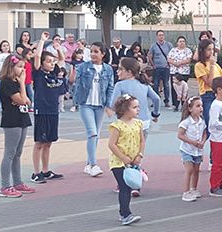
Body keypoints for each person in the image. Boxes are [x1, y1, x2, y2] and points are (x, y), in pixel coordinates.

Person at [71, 42, 115, 178]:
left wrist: (108, 105)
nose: (93, 54)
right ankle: (93, 165)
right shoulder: (84, 67)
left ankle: (88, 163)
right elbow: (76, 83)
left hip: (100, 105)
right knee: (92, 134)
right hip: (86, 104)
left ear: (103, 54)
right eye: (92, 51)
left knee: (97, 134)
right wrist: (76, 100)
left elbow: (110, 88)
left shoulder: (108, 69)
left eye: (96, 52)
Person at [30, 32, 68, 184]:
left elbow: (62, 60)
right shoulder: (39, 74)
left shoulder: (54, 74)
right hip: (42, 110)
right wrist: (43, 41)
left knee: (49, 142)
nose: (52, 64)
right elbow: (37, 58)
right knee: (40, 142)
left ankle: (46, 171)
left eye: (53, 62)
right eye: (49, 61)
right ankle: (36, 172)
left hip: (53, 110)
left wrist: (58, 48)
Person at [0, 55, 35, 198]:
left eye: (23, 67)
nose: (22, 70)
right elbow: (22, 101)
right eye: (20, 67)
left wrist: (22, 84)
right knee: (10, 152)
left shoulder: (16, 82)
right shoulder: (7, 83)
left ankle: (18, 182)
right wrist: (21, 84)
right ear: (11, 67)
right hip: (11, 120)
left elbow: (28, 102)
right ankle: (5, 185)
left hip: (22, 118)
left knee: (18, 152)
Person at [107, 95, 145, 225]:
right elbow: (112, 144)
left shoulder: (138, 123)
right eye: (134, 107)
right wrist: (123, 157)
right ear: (124, 110)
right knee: (124, 187)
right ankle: (125, 214)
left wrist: (139, 155)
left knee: (128, 186)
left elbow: (141, 140)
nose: (138, 109)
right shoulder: (117, 126)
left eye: (138, 107)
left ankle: (124, 212)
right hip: (118, 162)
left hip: (133, 161)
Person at [112, 58, 161, 139]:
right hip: (144, 122)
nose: (117, 72)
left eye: (120, 69)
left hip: (127, 122)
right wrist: (155, 114)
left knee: (126, 149)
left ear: (129, 72)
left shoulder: (119, 85)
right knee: (140, 148)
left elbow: (113, 105)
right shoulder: (144, 84)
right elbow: (156, 99)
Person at [178, 97, 206, 202]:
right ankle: (186, 192)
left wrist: (203, 142)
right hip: (187, 150)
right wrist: (193, 142)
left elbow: (204, 133)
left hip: (198, 151)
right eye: (198, 106)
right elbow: (180, 135)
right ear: (190, 109)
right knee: (189, 169)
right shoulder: (186, 122)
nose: (201, 108)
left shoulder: (202, 121)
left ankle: (193, 188)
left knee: (196, 170)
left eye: (201, 106)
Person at [194, 39, 222, 131]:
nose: (211, 52)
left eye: (212, 49)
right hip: (207, 95)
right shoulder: (199, 65)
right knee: (209, 123)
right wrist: (211, 66)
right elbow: (210, 83)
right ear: (202, 50)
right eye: (208, 49)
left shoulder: (216, 65)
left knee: (221, 123)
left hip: (218, 96)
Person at [148, 30, 173, 107]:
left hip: (166, 68)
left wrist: (169, 64)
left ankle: (166, 101)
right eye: (159, 35)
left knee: (166, 85)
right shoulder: (153, 46)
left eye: (162, 35)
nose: (161, 37)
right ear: (157, 36)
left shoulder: (168, 45)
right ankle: (155, 100)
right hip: (157, 68)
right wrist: (153, 65)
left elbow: (172, 55)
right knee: (155, 85)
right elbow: (150, 56)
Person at [168, 36, 193, 110]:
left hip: (184, 72)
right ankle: (175, 104)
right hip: (174, 71)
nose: (182, 43)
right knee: (174, 87)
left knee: (184, 88)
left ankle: (183, 104)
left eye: (183, 41)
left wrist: (180, 62)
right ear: (177, 43)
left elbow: (189, 60)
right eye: (180, 41)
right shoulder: (173, 50)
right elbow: (169, 59)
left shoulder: (188, 50)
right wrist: (174, 63)